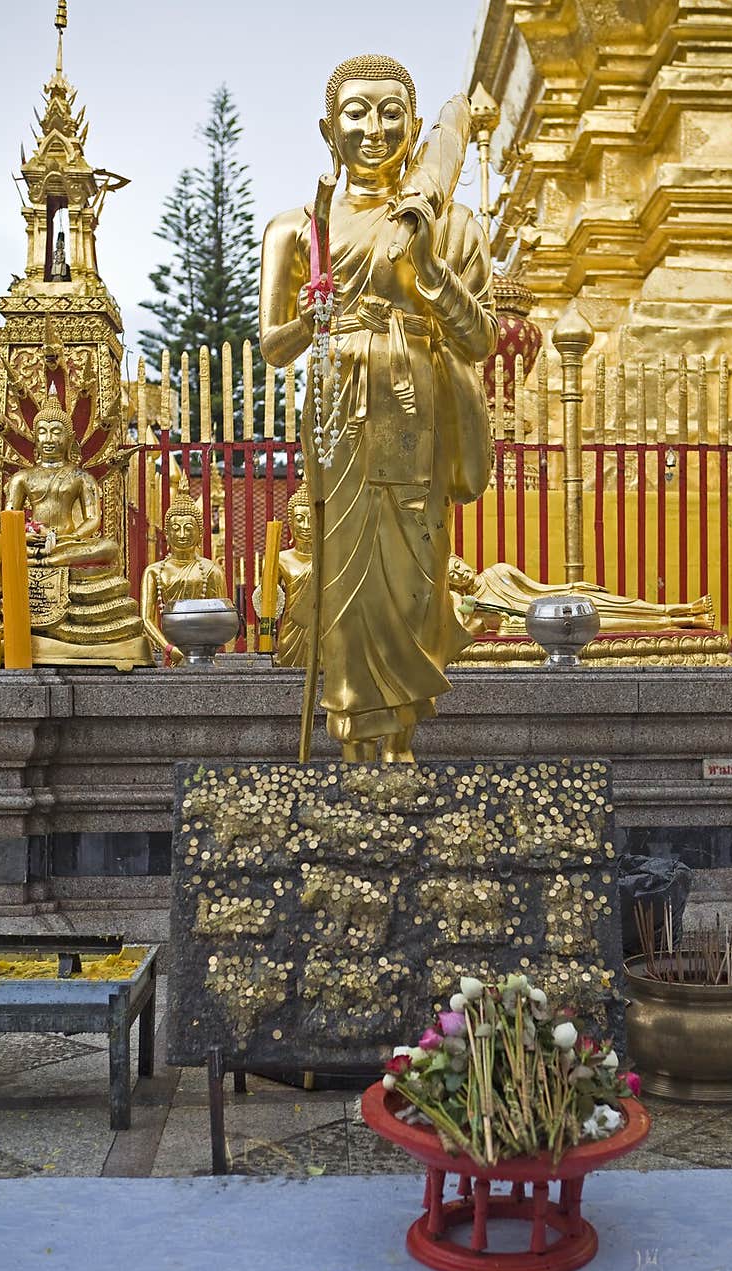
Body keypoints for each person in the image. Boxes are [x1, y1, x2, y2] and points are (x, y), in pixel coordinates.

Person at [258, 54, 497, 763]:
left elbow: (480, 337)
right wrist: (313, 317)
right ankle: (355, 739)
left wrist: (428, 270)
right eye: (356, 113)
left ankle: (400, 739)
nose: (374, 128)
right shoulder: (299, 227)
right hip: (340, 406)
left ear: (417, 126)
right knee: (348, 577)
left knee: (414, 575)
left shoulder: (448, 222)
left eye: (391, 113)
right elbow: (274, 344)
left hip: (419, 411)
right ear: (327, 129)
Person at [447, 554, 716, 633]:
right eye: (452, 576)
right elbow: (468, 632)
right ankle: (684, 622)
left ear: (463, 558)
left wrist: (574, 588)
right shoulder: (474, 605)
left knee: (621, 604)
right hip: (547, 625)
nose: (460, 573)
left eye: (458, 565)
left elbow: (541, 589)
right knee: (610, 626)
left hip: (561, 603)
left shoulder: (499, 571)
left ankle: (681, 607)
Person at [4, 392, 119, 571]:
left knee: (110, 548)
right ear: (35, 437)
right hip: (33, 544)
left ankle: (45, 561)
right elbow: (9, 520)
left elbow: (93, 519)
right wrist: (24, 536)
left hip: (66, 544)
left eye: (56, 432)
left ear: (70, 438)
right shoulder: (21, 478)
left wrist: (70, 538)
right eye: (42, 432)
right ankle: (41, 558)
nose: (49, 439)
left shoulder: (81, 477)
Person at [140, 473, 228, 666]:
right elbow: (145, 619)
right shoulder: (154, 572)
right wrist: (169, 648)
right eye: (175, 528)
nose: (182, 534)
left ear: (200, 533)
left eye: (188, 528)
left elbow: (222, 616)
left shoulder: (212, 570)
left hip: (206, 654)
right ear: (167, 533)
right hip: (170, 652)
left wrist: (206, 648)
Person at [250, 482, 313, 667]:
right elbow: (267, 603)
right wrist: (266, 638)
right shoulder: (280, 559)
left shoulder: (329, 556)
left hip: (322, 632)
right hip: (291, 631)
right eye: (299, 518)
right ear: (290, 522)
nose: (306, 525)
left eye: (312, 518)